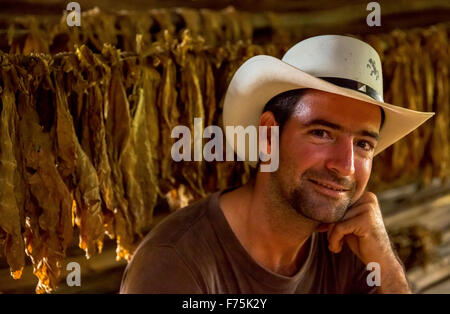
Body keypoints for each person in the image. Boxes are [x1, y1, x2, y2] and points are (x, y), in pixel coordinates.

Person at [120, 35, 434, 293]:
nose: (346, 166)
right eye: (321, 133)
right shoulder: (175, 264)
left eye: (363, 144)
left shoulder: (350, 248)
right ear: (269, 135)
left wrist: (386, 262)